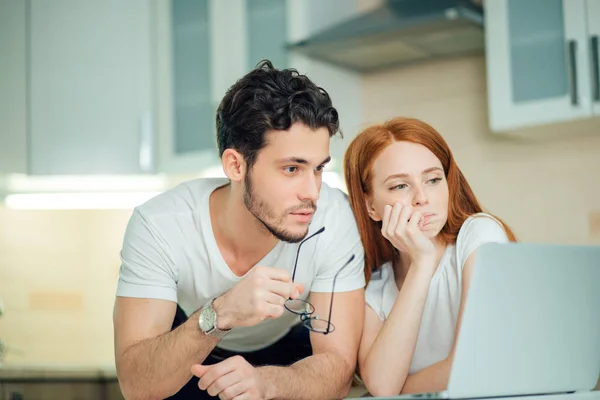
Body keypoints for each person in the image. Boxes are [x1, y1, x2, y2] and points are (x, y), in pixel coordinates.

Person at [113, 60, 366, 400]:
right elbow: (136, 384)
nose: (312, 192)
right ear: (235, 165)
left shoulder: (334, 217)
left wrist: (268, 383)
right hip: (192, 347)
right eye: (292, 168)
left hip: (292, 354)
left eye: (318, 169)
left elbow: (338, 367)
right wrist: (222, 312)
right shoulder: (160, 225)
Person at [343, 117, 517, 397]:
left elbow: (472, 365)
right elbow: (381, 385)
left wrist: (402, 391)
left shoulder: (480, 235)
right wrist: (421, 263)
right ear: (370, 206)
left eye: (433, 179)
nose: (422, 197)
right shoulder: (376, 286)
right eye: (400, 186)